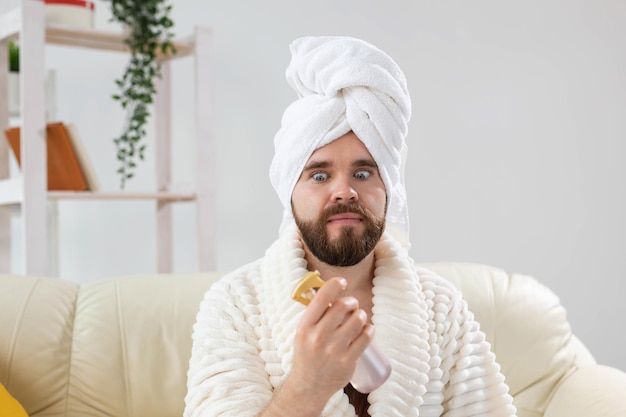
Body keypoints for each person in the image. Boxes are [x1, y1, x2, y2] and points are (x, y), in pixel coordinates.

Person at [184, 36, 517, 417]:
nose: (344, 191)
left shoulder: (441, 308)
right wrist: (306, 386)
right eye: (320, 175)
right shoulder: (235, 305)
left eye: (362, 172)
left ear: (389, 191)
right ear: (289, 193)